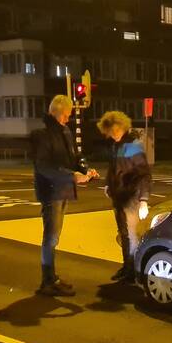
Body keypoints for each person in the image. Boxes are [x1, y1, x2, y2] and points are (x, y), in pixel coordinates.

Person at [30, 95, 98, 296]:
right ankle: (47, 281)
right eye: (65, 115)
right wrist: (72, 175)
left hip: (64, 189)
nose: (67, 119)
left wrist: (85, 170)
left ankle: (52, 278)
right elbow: (43, 166)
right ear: (56, 113)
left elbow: (75, 157)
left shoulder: (65, 132)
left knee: (54, 237)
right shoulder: (41, 135)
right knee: (50, 238)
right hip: (51, 192)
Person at [98, 111, 152, 283]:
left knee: (130, 234)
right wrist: (108, 184)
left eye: (113, 131)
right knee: (123, 233)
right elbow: (113, 168)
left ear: (121, 127)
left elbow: (144, 174)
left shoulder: (133, 146)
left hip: (131, 197)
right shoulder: (117, 145)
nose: (112, 135)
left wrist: (143, 200)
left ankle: (133, 271)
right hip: (119, 196)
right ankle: (127, 267)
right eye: (109, 133)